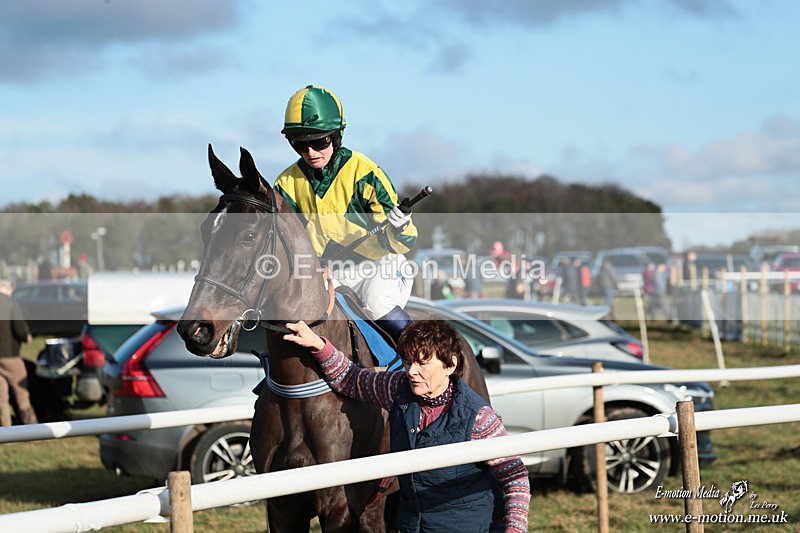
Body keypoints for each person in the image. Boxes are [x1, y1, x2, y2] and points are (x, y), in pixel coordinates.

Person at [283, 319, 530, 532]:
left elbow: (515, 478)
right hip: (413, 525)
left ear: (450, 365)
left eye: (423, 363)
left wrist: (515, 528)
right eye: (408, 362)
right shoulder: (397, 387)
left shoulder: (481, 419)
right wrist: (318, 345)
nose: (412, 371)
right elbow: (353, 380)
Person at [274, 85, 418, 342]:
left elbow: (404, 243)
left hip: (380, 265)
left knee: (378, 304)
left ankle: (426, 352)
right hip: (330, 274)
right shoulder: (285, 184)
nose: (311, 153)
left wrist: (399, 227)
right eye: (300, 144)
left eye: (319, 142)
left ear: (337, 136)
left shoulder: (366, 173)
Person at [0, 280, 38, 426]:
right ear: (9, 290)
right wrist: (26, 336)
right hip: (9, 355)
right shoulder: (11, 304)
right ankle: (31, 427)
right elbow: (20, 328)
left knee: (1, 395)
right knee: (21, 389)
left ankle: (5, 429)